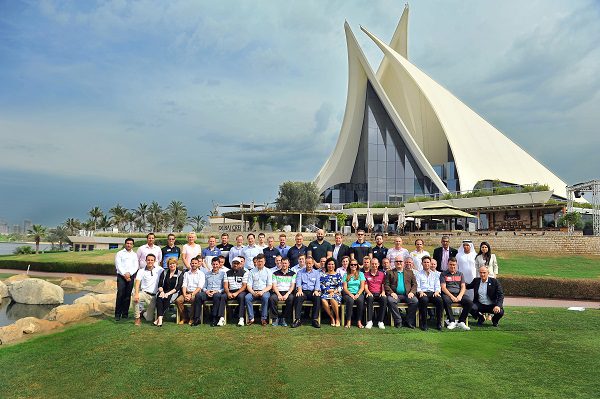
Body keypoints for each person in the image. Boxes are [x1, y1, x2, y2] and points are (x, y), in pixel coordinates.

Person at [384, 256, 418, 328]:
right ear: (394, 263)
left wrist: (412, 292)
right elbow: (386, 285)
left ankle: (409, 321)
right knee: (390, 300)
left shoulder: (410, 272)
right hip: (395, 295)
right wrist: (392, 293)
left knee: (415, 301)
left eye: (400, 261)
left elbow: (414, 284)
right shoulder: (390, 272)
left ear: (403, 263)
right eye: (397, 261)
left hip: (407, 294)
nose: (399, 262)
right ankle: (398, 321)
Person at [440, 257, 472, 331]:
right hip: (448, 294)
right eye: (451, 264)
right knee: (446, 301)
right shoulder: (443, 274)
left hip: (459, 294)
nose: (452, 266)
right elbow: (443, 288)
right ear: (448, 264)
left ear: (456, 265)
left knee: (469, 302)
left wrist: (460, 295)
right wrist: (451, 296)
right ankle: (451, 321)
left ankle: (461, 321)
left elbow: (463, 286)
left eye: (454, 265)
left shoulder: (460, 274)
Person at [132, 254, 163, 326]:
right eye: (148, 260)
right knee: (134, 298)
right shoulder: (141, 271)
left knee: (149, 319)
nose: (150, 261)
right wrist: (136, 294)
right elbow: (137, 283)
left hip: (154, 296)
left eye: (152, 260)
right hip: (144, 293)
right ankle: (137, 318)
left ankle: (143, 313)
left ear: (155, 261)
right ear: (145, 261)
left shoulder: (160, 269)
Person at [292, 255, 322, 328]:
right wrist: (299, 290)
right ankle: (297, 319)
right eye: (307, 263)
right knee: (298, 297)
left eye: (310, 263)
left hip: (312, 291)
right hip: (303, 291)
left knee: (317, 298)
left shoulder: (316, 273)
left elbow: (317, 283)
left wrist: (316, 290)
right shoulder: (300, 272)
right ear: (305, 263)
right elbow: (298, 282)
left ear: (312, 264)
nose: (308, 265)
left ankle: (314, 319)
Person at [415, 256, 443, 330]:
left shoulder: (435, 274)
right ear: (422, 263)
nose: (426, 264)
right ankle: (424, 324)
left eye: (428, 262)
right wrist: (420, 292)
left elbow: (437, 285)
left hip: (433, 293)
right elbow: (417, 285)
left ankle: (439, 323)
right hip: (423, 293)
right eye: (425, 262)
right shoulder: (418, 274)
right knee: (424, 300)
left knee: (440, 300)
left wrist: (437, 291)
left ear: (430, 263)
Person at [175, 257, 205, 325]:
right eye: (192, 263)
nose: (194, 264)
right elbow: (184, 285)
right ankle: (184, 318)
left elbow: (199, 287)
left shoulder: (201, 274)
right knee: (178, 300)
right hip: (186, 292)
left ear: (198, 264)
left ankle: (192, 318)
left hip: (195, 293)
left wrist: (191, 295)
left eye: (195, 263)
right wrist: (185, 294)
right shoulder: (186, 273)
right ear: (190, 264)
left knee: (194, 300)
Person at [244, 254, 272, 326]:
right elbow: (249, 285)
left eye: (261, 261)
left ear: (264, 262)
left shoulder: (268, 271)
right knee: (247, 297)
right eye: (258, 261)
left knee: (265, 298)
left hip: (264, 291)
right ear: (256, 262)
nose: (260, 263)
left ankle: (263, 318)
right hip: (254, 291)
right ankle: (251, 318)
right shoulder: (252, 271)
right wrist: (253, 292)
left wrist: (262, 292)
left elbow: (269, 285)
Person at [154, 257, 183, 326]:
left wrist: (168, 293)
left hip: (173, 292)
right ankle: (160, 318)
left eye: (173, 263)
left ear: (176, 264)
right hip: (163, 291)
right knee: (159, 298)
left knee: (167, 298)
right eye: (170, 264)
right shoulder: (164, 272)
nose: (172, 265)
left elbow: (178, 287)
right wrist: (162, 292)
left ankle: (158, 319)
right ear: (168, 265)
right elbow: (160, 284)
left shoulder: (180, 273)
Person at [115, 237, 139, 321]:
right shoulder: (120, 253)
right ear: (125, 244)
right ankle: (118, 314)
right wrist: (125, 274)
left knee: (128, 295)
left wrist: (130, 274)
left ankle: (125, 313)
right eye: (127, 243)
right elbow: (118, 265)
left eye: (130, 244)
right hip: (121, 276)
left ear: (132, 245)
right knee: (120, 294)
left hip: (130, 276)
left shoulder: (134, 254)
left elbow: (136, 266)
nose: (129, 245)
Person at [269, 257, 296, 327]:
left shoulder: (293, 274)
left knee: (291, 299)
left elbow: (292, 286)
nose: (284, 265)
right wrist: (278, 294)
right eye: (283, 263)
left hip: (288, 292)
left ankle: (283, 318)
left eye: (286, 263)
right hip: (278, 291)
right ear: (280, 263)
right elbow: (274, 286)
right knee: (272, 299)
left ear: (289, 264)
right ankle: (275, 318)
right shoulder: (275, 273)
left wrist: (287, 294)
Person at [203, 257, 227, 327]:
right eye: (213, 264)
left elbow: (224, 287)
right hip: (208, 292)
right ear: (211, 264)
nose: (215, 266)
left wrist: (217, 291)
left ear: (220, 264)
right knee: (198, 296)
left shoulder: (223, 274)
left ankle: (214, 318)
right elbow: (204, 286)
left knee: (216, 296)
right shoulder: (207, 274)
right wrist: (206, 291)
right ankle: (197, 318)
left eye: (217, 264)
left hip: (217, 292)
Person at [224, 257, 248, 327]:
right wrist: (228, 293)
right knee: (222, 297)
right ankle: (222, 317)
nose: (235, 265)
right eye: (234, 263)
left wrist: (236, 293)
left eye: (237, 263)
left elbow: (244, 286)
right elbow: (225, 285)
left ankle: (241, 318)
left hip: (240, 291)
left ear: (240, 264)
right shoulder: (227, 273)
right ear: (232, 264)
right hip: (230, 291)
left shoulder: (244, 273)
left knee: (241, 297)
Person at [342, 260, 366, 328]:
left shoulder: (361, 274)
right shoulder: (346, 275)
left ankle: (359, 321)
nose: (353, 266)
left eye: (355, 265)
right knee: (350, 300)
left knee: (360, 300)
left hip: (358, 293)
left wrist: (358, 294)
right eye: (352, 265)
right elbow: (345, 288)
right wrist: (350, 294)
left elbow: (362, 287)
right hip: (348, 293)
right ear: (349, 266)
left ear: (357, 266)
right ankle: (348, 321)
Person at [364, 258, 386, 329]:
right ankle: (369, 321)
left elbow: (383, 285)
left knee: (384, 299)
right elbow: (365, 285)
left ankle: (381, 321)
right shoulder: (366, 274)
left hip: (379, 293)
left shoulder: (382, 274)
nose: (374, 265)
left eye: (376, 264)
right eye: (372, 264)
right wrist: (368, 292)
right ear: (370, 264)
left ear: (378, 264)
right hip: (370, 293)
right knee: (369, 298)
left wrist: (383, 292)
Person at [320, 257, 343, 327]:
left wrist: (334, 291)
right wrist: (328, 290)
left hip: (336, 293)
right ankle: (332, 317)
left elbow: (340, 286)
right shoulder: (323, 275)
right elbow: (321, 285)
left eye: (332, 264)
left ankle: (337, 318)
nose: (331, 266)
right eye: (329, 264)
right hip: (326, 292)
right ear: (326, 265)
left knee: (333, 298)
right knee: (323, 299)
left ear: (335, 265)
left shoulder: (338, 275)